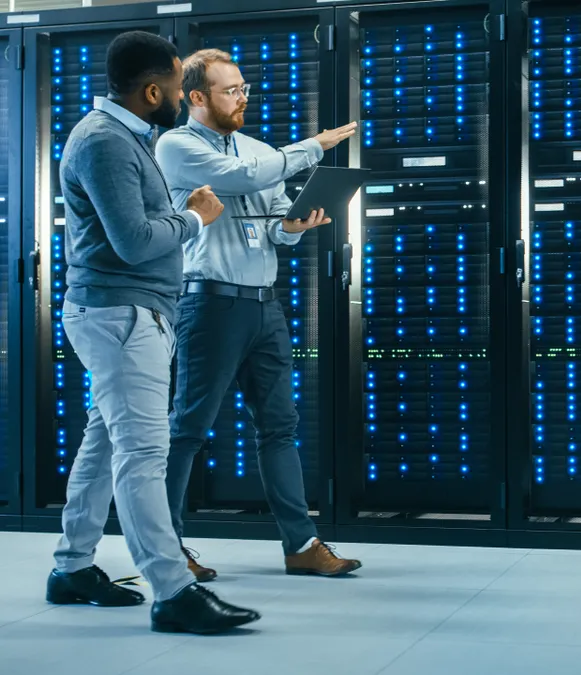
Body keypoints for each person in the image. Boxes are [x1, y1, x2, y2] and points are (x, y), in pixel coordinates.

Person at [47, 31, 260, 634]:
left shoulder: (125, 137)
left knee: (105, 445)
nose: (180, 96)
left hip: (129, 314)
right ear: (150, 90)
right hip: (121, 315)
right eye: (173, 86)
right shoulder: (106, 142)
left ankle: (71, 567)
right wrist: (194, 216)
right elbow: (136, 243)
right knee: (144, 453)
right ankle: (174, 591)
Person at [156, 48, 360, 580]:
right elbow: (245, 178)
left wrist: (290, 228)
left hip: (264, 306)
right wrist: (312, 147)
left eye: (245, 88)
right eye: (231, 90)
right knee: (189, 428)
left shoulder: (256, 149)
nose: (242, 97)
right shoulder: (177, 146)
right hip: (209, 303)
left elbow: (269, 215)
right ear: (196, 97)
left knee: (280, 427)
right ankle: (167, 547)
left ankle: (302, 545)